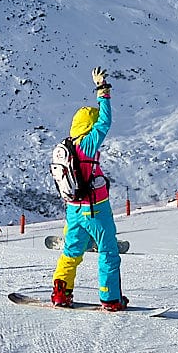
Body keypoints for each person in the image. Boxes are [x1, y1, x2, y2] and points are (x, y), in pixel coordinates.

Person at [51, 67, 129, 312]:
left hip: (73, 210)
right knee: (108, 252)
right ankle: (111, 299)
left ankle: (60, 295)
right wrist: (102, 90)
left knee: (70, 252)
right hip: (96, 209)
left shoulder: (66, 146)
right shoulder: (88, 143)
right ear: (89, 124)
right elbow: (106, 121)